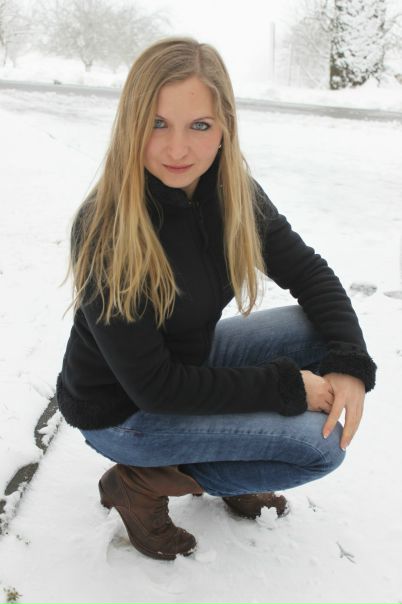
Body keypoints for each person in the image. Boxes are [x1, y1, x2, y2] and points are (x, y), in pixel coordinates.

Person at [56, 37, 376, 562]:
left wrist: (350, 364)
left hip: (190, 362)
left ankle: (232, 465)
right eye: (158, 123)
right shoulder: (107, 227)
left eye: (199, 126)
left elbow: (310, 272)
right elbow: (156, 387)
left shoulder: (231, 191)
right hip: (125, 411)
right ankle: (140, 483)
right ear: (131, 123)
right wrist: (285, 387)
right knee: (318, 449)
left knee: (323, 334)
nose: (178, 149)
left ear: (225, 127)